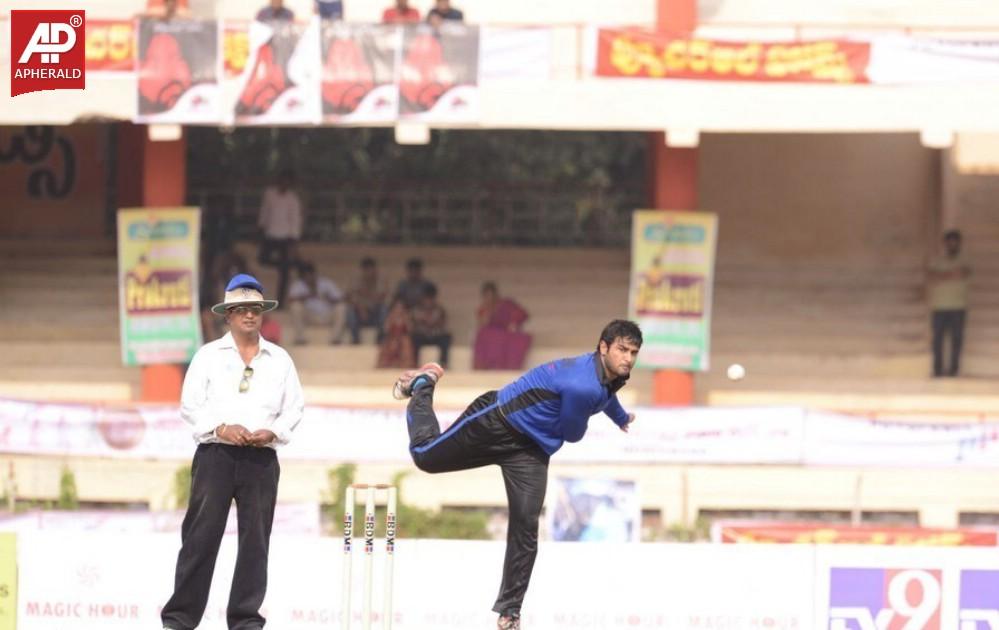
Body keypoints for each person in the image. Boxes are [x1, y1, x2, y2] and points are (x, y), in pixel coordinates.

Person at [392, 319, 642, 630]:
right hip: (496, 421)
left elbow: (605, 395)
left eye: (633, 352)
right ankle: (423, 384)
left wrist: (619, 417)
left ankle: (510, 612)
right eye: (622, 350)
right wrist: (591, 416)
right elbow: (573, 433)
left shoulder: (607, 373)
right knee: (425, 456)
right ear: (603, 347)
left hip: (530, 451)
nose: (628, 358)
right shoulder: (582, 384)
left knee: (526, 527)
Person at [162, 273, 304, 630]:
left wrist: (272, 431)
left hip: (261, 457)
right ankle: (179, 620)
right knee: (200, 537)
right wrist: (222, 428)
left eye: (255, 309)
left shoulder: (280, 359)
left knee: (255, 540)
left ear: (263, 313)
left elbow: (294, 408)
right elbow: (190, 405)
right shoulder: (208, 356)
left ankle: (245, 620)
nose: (249, 315)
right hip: (216, 456)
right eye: (240, 309)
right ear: (228, 315)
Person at [927, 230, 972, 377]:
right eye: (949, 241)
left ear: (959, 243)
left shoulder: (965, 259)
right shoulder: (937, 259)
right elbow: (931, 276)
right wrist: (951, 274)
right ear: (945, 243)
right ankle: (937, 370)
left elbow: (962, 273)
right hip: (939, 306)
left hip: (958, 307)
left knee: (957, 340)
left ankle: (954, 370)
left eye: (955, 241)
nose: (952, 244)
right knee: (937, 340)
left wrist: (942, 275)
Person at [257, 169, 303, 305]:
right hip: (270, 236)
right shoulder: (269, 194)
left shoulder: (293, 199)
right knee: (262, 259)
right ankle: (282, 263)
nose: (284, 184)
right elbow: (265, 212)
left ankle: (280, 302)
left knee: (285, 272)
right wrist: (260, 227)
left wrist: (294, 240)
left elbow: (295, 220)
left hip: (286, 239)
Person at [474, 282, 531, 370]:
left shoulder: (506, 303)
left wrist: (513, 323)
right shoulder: (483, 308)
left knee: (517, 339)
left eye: (491, 295)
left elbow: (521, 314)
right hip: (491, 332)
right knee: (483, 335)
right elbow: (482, 323)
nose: (489, 298)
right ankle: (485, 366)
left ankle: (508, 367)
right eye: (487, 296)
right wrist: (488, 312)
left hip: (505, 332)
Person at [287, 261, 347, 345]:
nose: (310, 278)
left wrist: (329, 298)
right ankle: (300, 338)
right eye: (306, 275)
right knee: (295, 307)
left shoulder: (326, 283)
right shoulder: (298, 285)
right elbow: (290, 300)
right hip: (310, 317)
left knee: (341, 307)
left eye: (311, 274)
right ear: (303, 276)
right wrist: (306, 296)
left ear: (315, 274)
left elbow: (341, 299)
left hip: (327, 315)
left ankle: (336, 338)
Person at [346, 257, 389, 344]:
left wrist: (368, 306)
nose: (370, 272)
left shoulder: (380, 280)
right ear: (363, 270)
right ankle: (355, 338)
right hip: (359, 315)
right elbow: (350, 297)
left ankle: (380, 338)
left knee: (384, 309)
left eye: (372, 269)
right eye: (367, 269)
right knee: (350, 310)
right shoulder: (356, 280)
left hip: (374, 314)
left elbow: (381, 297)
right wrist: (361, 308)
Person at [377, 296, 416, 368]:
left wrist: (406, 320)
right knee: (391, 344)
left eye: (400, 307)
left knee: (406, 344)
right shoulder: (391, 316)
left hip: (402, 337)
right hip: (392, 336)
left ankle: (404, 364)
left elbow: (410, 329)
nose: (399, 309)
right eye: (397, 307)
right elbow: (385, 328)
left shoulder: (406, 316)